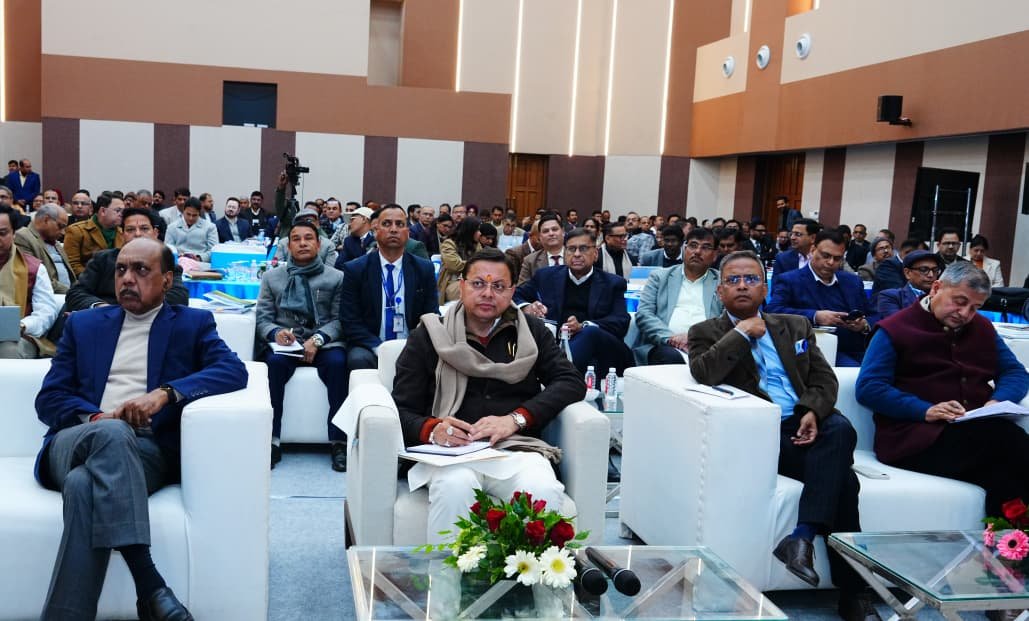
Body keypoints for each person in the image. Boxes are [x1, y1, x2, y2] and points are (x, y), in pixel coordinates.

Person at [34, 237, 246, 620]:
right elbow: (49, 399)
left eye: (140, 270)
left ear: (167, 280)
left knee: (83, 486)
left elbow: (233, 370)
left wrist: (165, 394)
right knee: (111, 433)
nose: (127, 279)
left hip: (145, 450)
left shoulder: (192, 324)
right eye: (121, 270)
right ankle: (150, 586)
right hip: (74, 442)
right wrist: (97, 419)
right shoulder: (83, 324)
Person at [688, 250, 877, 621]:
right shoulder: (706, 332)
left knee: (839, 427)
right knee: (845, 481)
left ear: (766, 289)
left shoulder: (795, 326)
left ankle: (802, 538)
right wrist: (741, 333)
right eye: (733, 280)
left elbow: (824, 379)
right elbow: (705, 372)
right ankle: (853, 592)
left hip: (807, 424)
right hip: (763, 435)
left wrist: (811, 411)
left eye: (751, 279)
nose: (743, 286)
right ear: (720, 292)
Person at [392, 247, 584, 543]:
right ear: (462, 286)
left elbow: (570, 381)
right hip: (449, 455)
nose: (487, 294)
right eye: (478, 283)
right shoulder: (430, 334)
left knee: (542, 489)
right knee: (456, 488)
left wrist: (516, 419)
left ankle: (535, 575)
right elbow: (401, 408)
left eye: (499, 286)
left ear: (512, 291)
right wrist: (433, 429)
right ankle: (446, 574)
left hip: (515, 448)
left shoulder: (531, 332)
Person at [856, 262, 1029, 519]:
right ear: (936, 288)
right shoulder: (896, 328)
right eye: (959, 302)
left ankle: (1007, 539)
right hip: (915, 439)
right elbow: (869, 387)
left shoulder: (982, 328)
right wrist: (925, 410)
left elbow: (1015, 372)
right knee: (1008, 441)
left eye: (975, 308)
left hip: (974, 433)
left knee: (1002, 473)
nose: (965, 313)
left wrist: (997, 401)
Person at [256, 220, 346, 471]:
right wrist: (275, 333)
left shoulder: (336, 277)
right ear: (288, 246)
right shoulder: (272, 277)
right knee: (273, 365)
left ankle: (339, 442)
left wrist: (317, 340)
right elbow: (262, 319)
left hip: (324, 343)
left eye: (308, 238)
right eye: (296, 239)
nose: (302, 243)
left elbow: (341, 320)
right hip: (286, 344)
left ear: (319, 244)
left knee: (339, 365)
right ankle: (271, 440)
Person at [339, 203, 439, 387]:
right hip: (371, 344)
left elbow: (431, 315)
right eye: (386, 224)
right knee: (358, 359)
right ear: (375, 230)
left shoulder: (423, 268)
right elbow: (350, 321)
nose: (393, 229)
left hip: (411, 343)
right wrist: (380, 347)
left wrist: (411, 345)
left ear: (407, 232)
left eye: (400, 224)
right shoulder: (356, 269)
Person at [516, 228, 633, 375]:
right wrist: (527, 307)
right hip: (557, 346)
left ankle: (560, 374)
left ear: (595, 254)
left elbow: (621, 321)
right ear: (565, 253)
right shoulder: (546, 276)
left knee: (589, 333)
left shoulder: (613, 283)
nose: (577, 254)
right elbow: (514, 295)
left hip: (605, 350)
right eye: (571, 249)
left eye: (583, 249)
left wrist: (583, 326)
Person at [767, 229, 874, 367]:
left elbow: (874, 315)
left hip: (859, 348)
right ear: (812, 250)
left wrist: (864, 324)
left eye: (837, 258)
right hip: (815, 351)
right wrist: (815, 316)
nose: (830, 262)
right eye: (826, 256)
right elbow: (772, 311)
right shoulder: (790, 280)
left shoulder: (852, 281)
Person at [66, 207, 190, 312]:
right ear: (122, 234)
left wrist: (131, 312)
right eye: (130, 230)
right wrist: (102, 308)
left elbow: (179, 298)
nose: (137, 234)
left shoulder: (165, 262)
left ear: (155, 233)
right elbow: (76, 293)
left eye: (144, 229)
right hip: (104, 320)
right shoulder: (103, 259)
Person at [634, 227, 721, 365]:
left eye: (705, 247)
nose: (697, 252)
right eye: (693, 245)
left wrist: (697, 340)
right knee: (669, 357)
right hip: (666, 345)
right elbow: (644, 314)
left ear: (715, 255)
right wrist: (671, 338)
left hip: (708, 348)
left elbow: (727, 319)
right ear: (684, 249)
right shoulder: (660, 277)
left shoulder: (722, 282)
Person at [0, 205, 59, 358]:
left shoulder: (33, 268)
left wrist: (22, 325)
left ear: (14, 233)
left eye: (2, 233)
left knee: (8, 350)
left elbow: (46, 312)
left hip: (17, 337)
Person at [14, 203, 75, 294]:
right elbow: (34, 277)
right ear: (46, 219)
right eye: (60, 226)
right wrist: (72, 293)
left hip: (68, 294)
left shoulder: (55, 242)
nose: (63, 232)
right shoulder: (23, 237)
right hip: (47, 295)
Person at [64, 193, 125, 276]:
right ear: (103, 211)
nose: (121, 214)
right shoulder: (76, 231)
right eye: (118, 210)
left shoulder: (122, 233)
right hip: (87, 280)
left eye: (123, 211)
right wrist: (97, 279)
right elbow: (72, 265)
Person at [876, 250, 944, 319]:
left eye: (935, 270)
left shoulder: (943, 296)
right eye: (923, 269)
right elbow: (898, 323)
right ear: (907, 273)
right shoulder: (890, 297)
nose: (931, 275)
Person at [437, 216, 482, 304]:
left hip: (473, 279)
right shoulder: (449, 243)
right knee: (474, 289)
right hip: (452, 282)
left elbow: (482, 261)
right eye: (477, 230)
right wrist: (476, 265)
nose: (480, 233)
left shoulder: (476, 245)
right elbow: (454, 265)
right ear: (469, 231)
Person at [517, 213, 565, 286]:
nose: (551, 233)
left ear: (563, 232)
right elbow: (522, 290)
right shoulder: (530, 261)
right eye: (546, 231)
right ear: (540, 237)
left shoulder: (576, 255)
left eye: (554, 229)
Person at [164, 197, 218, 262]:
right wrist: (178, 257)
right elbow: (168, 250)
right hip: (178, 262)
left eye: (194, 215)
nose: (191, 218)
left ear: (199, 213)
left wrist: (200, 258)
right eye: (188, 214)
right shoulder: (172, 227)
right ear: (183, 211)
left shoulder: (210, 227)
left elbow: (214, 250)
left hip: (201, 263)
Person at [771, 218, 820, 286]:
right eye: (791, 234)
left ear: (813, 238)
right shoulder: (783, 259)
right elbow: (776, 287)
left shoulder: (824, 259)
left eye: (798, 234)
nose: (792, 238)